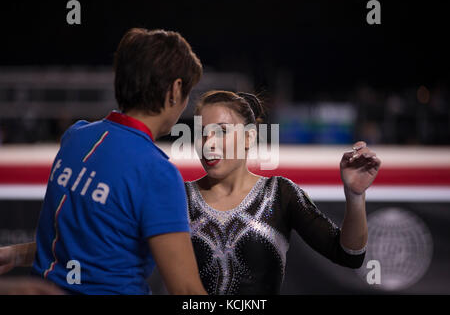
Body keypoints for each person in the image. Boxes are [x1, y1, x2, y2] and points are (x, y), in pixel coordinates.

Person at [1, 90, 381, 295]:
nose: (209, 144)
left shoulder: (280, 194)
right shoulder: (175, 196)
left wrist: (355, 197)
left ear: (250, 138)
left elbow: (348, 255)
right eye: (203, 132)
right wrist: (16, 253)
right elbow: (93, 244)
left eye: (223, 132)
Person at [0, 28, 207, 295]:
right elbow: (187, 291)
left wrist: (17, 254)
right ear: (175, 90)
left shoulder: (75, 138)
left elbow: (82, 242)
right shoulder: (157, 172)